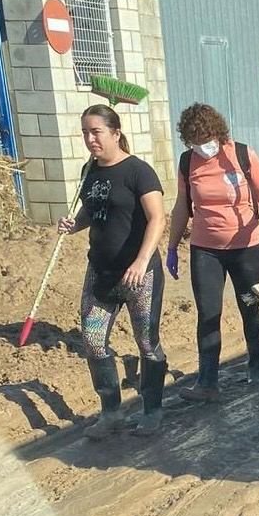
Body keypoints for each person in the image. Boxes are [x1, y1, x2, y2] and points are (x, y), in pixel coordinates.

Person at [60, 104, 167, 438]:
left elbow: (157, 218)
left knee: (146, 342)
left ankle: (152, 410)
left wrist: (141, 261)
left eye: (96, 132)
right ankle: (111, 413)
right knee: (93, 341)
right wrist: (74, 224)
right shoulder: (88, 171)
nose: (90, 139)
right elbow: (93, 212)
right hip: (100, 272)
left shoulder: (139, 171)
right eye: (85, 133)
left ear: (115, 133)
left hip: (139, 274)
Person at [166, 103, 259, 401]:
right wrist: (171, 246)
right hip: (205, 250)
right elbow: (182, 206)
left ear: (217, 133)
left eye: (205, 139)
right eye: (194, 141)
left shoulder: (242, 155)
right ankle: (207, 383)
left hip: (246, 248)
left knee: (249, 308)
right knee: (208, 314)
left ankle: (255, 365)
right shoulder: (187, 162)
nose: (201, 146)